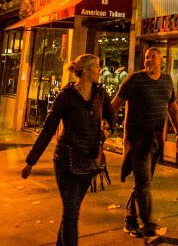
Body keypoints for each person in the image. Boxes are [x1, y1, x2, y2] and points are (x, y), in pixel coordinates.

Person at [22, 54, 114, 246]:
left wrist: (105, 134)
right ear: (86, 71)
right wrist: (31, 161)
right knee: (71, 212)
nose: (100, 70)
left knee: (71, 212)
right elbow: (48, 128)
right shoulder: (66, 96)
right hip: (66, 159)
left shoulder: (100, 94)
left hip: (88, 161)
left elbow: (112, 120)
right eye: (97, 67)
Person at [111, 48, 178, 239]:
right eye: (146, 57)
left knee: (142, 183)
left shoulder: (167, 81)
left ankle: (130, 220)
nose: (149, 60)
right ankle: (148, 225)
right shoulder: (134, 80)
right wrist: (106, 127)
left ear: (161, 61)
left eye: (153, 57)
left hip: (155, 141)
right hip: (137, 140)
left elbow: (172, 107)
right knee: (143, 183)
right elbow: (115, 104)